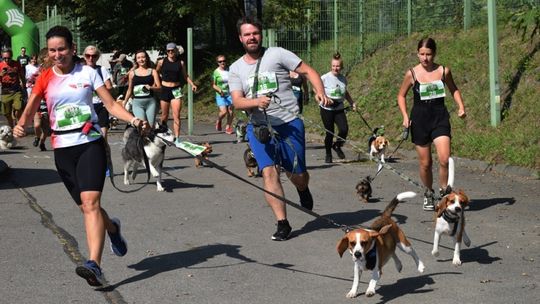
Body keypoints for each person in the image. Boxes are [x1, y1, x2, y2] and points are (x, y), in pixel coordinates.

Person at [13, 26, 150, 287]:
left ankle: (94, 265)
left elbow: (110, 105)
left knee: (90, 204)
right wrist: (22, 123)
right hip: (63, 149)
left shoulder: (88, 73)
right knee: (86, 208)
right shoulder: (44, 78)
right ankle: (112, 229)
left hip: (90, 143)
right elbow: (31, 106)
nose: (57, 55)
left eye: (61, 49)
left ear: (72, 48)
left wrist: (133, 119)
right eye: (52, 50)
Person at [229, 16, 332, 241]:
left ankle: (302, 189)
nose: (251, 37)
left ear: (261, 34)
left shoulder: (277, 54)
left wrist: (320, 91)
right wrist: (255, 102)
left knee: (297, 175)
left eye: (254, 33)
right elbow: (237, 101)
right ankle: (282, 223)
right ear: (240, 38)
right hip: (260, 128)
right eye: (247, 34)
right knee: (268, 172)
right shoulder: (236, 68)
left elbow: (309, 71)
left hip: (289, 124)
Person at [397, 37, 466, 211]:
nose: (425, 58)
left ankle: (444, 192)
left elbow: (453, 89)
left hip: (439, 117)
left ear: (434, 54)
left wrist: (461, 106)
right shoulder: (411, 74)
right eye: (422, 54)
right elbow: (401, 96)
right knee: (426, 163)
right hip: (419, 120)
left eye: (428, 54)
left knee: (444, 158)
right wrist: (405, 116)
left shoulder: (443, 71)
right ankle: (428, 192)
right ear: (417, 54)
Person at [156, 42, 197, 145]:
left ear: (175, 51)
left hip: (176, 90)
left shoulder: (180, 63)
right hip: (165, 89)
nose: (170, 52)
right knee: (164, 115)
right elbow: (155, 72)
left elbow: (185, 75)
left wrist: (192, 84)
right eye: (168, 51)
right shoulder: (161, 62)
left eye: (172, 50)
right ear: (166, 52)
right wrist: (156, 83)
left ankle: (177, 138)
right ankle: (163, 134)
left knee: (176, 115)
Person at [320, 52, 357, 163]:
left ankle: (337, 145)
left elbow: (345, 93)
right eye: (333, 66)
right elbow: (316, 90)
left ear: (341, 67)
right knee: (330, 132)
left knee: (344, 129)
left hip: (339, 108)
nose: (335, 68)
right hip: (327, 108)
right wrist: (324, 98)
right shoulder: (325, 78)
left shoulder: (343, 79)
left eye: (338, 66)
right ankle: (328, 154)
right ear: (331, 66)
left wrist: (352, 103)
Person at [121, 50, 161, 128]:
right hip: (137, 103)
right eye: (138, 58)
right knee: (142, 126)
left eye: (143, 57)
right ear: (136, 60)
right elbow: (129, 89)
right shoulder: (132, 73)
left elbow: (159, 88)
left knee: (151, 126)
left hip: (151, 103)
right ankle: (141, 140)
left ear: (146, 58)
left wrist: (151, 87)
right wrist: (124, 102)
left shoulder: (153, 71)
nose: (141, 59)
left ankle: (150, 140)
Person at [0, 48, 25, 127]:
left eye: (8, 58)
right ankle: (11, 127)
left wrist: (24, 84)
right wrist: (0, 75)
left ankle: (18, 123)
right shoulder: (0, 65)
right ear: (2, 57)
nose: (7, 60)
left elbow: (21, 75)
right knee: (6, 113)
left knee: (19, 108)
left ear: (11, 56)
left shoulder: (16, 64)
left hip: (16, 90)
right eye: (5, 58)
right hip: (5, 91)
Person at [212, 54, 234, 134]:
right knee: (224, 112)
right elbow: (213, 85)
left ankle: (228, 127)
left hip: (229, 93)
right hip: (220, 94)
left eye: (224, 61)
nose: (222, 63)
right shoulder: (216, 72)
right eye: (220, 61)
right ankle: (219, 120)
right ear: (217, 63)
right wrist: (220, 90)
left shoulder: (230, 70)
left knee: (231, 111)